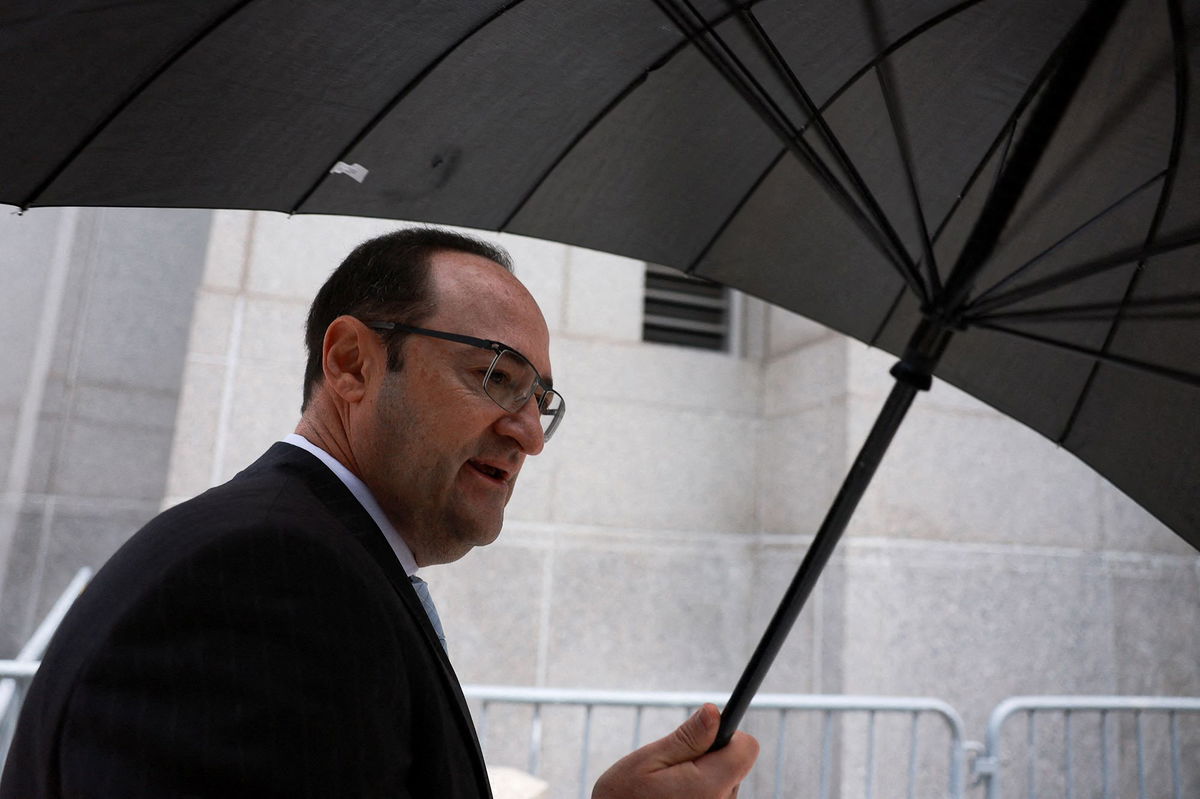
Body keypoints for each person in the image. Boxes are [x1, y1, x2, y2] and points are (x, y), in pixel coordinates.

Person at [0, 227, 758, 798]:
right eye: (497, 374)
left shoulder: (302, 558)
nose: (529, 431)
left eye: (542, 401)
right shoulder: (268, 580)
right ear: (353, 363)